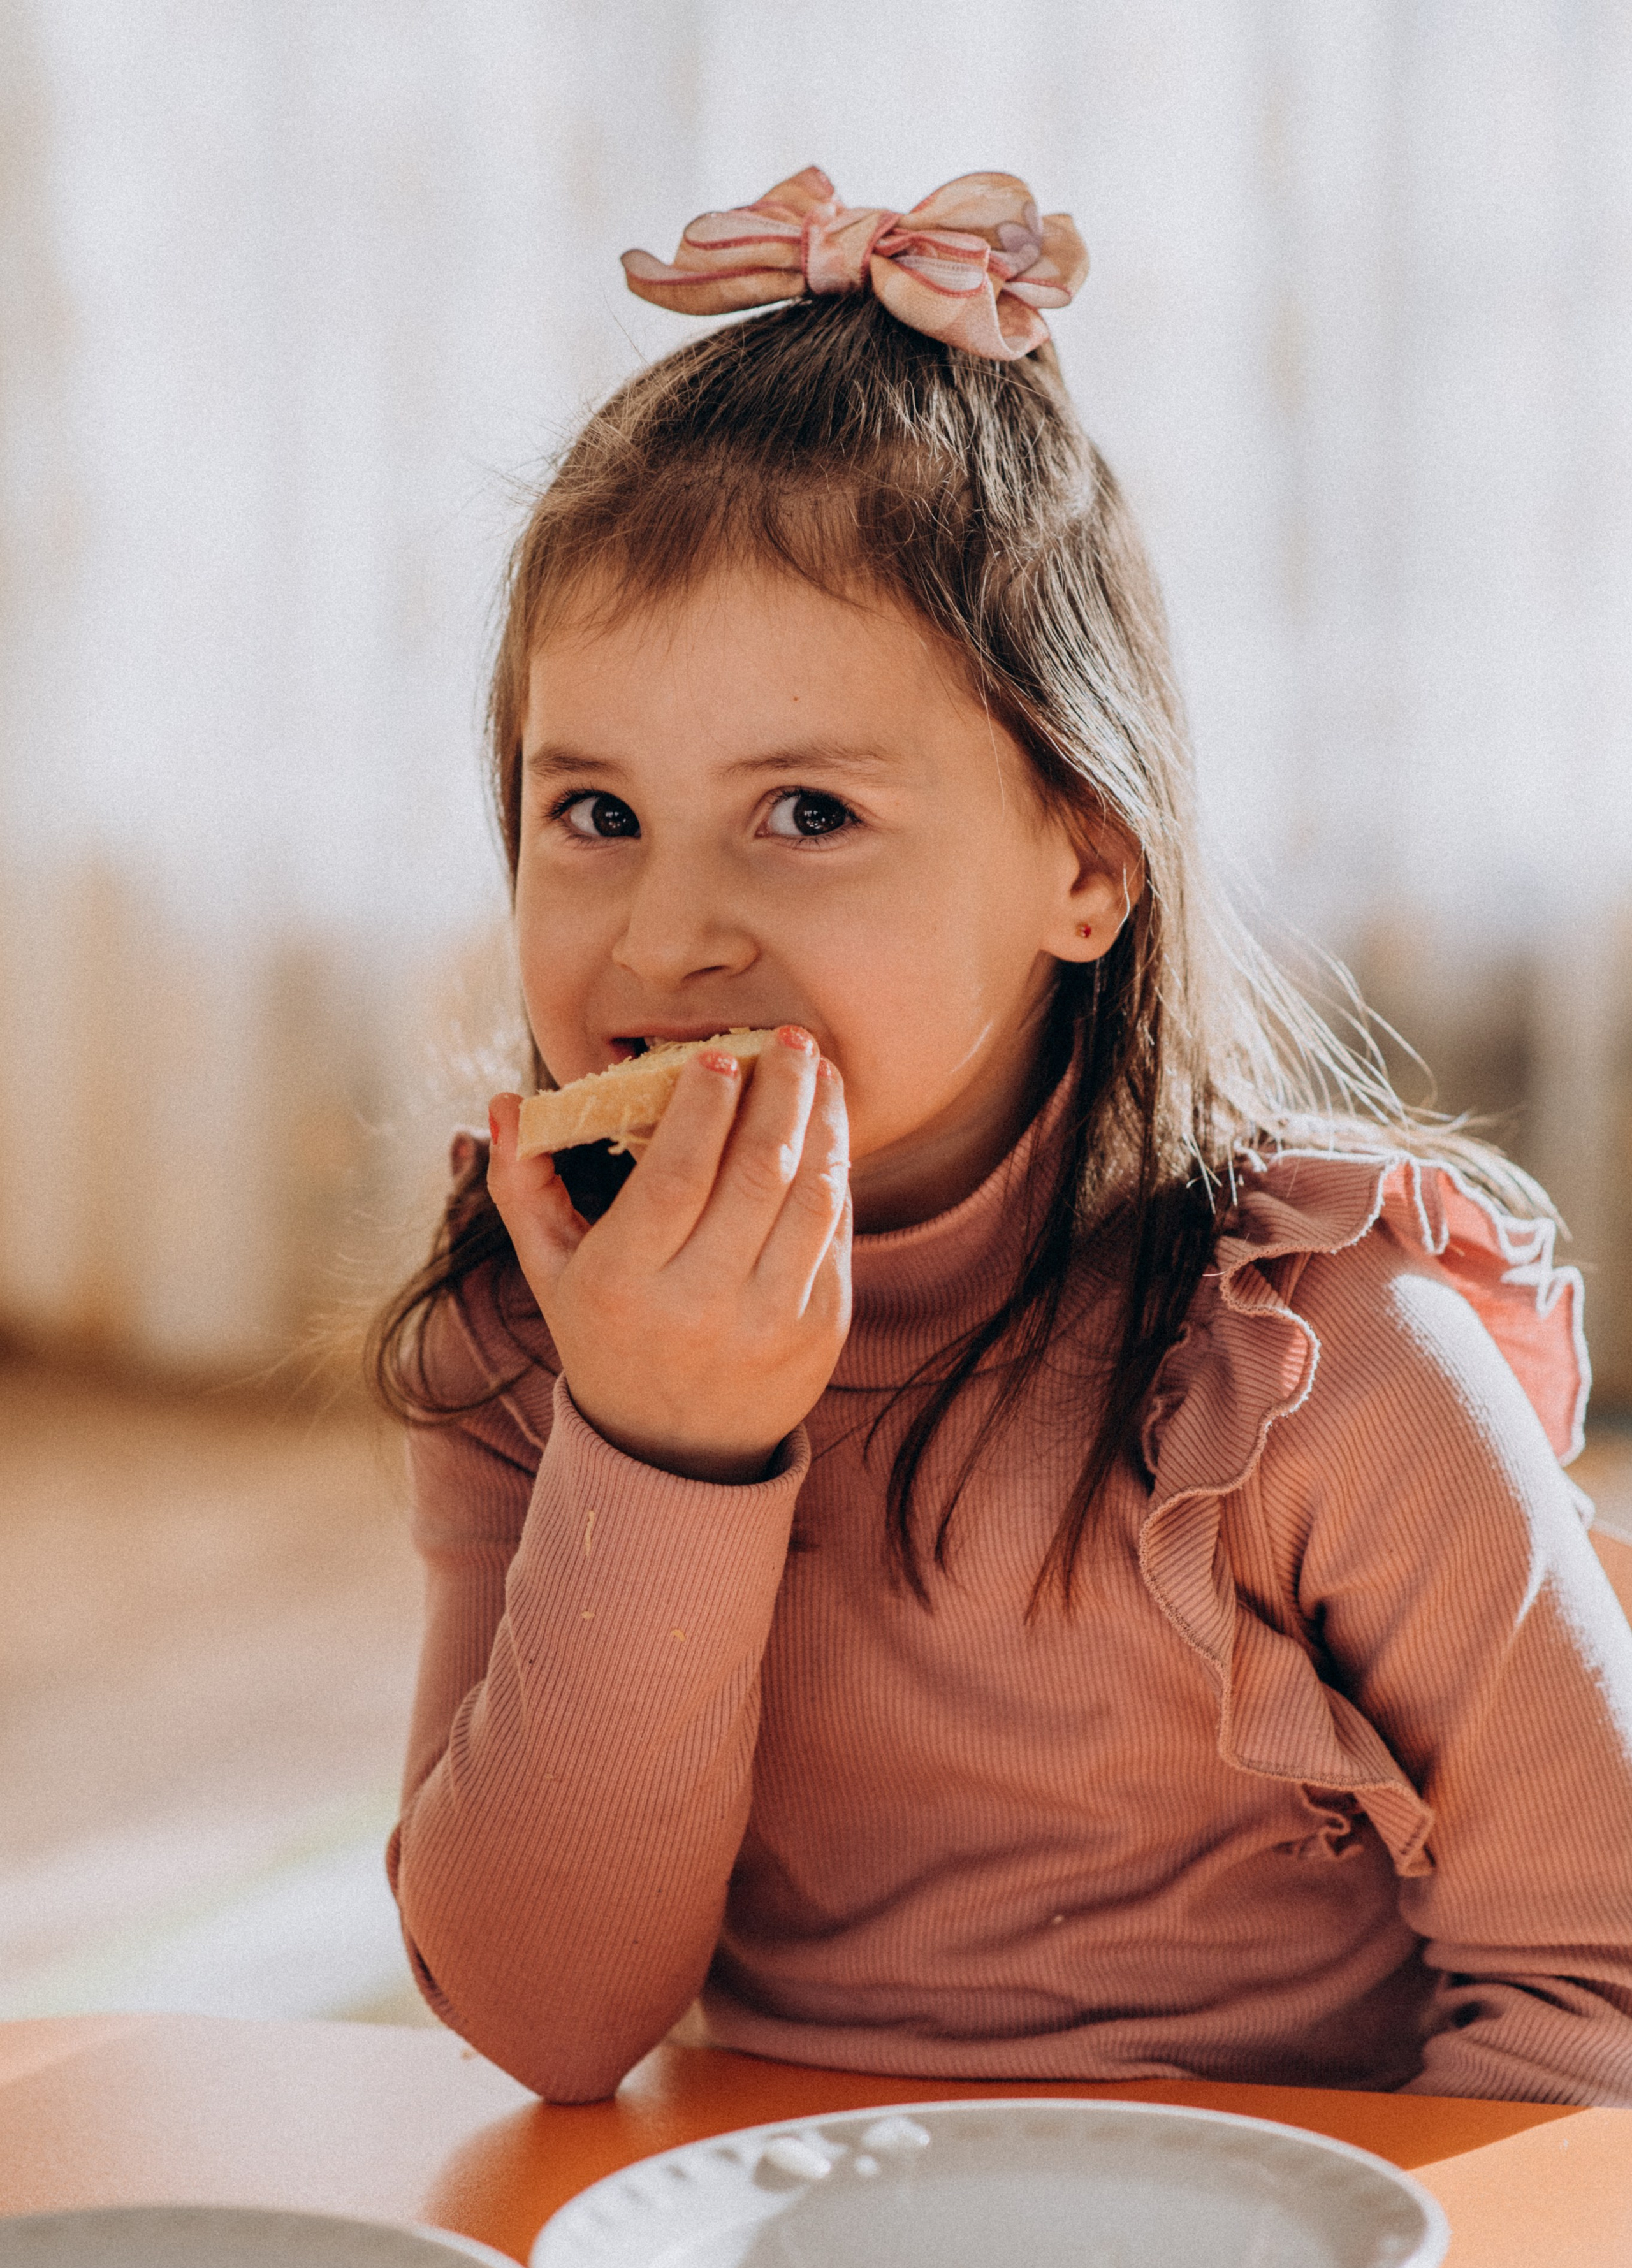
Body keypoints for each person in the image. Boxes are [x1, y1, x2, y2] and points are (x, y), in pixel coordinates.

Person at [372, 167, 1632, 2105]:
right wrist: (662, 1445)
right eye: (595, 814)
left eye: (805, 813)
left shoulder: (1321, 1367)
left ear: (1085, 864)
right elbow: (542, 2020)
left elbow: (1596, 1980)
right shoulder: (528, 1320)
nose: (667, 935)